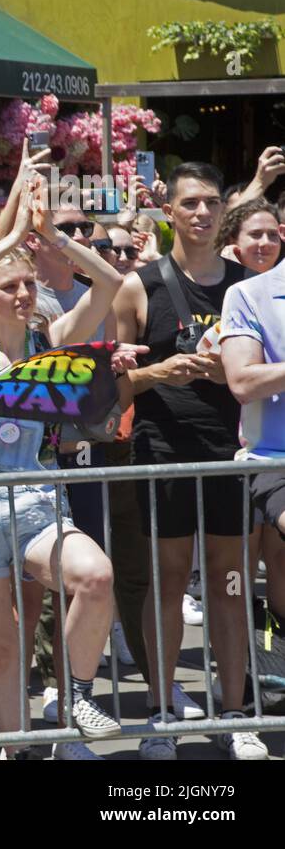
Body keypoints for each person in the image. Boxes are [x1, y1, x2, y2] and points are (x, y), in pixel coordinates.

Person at [0, 179, 123, 758]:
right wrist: (12, 236)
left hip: (41, 501)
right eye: (10, 287)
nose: (23, 294)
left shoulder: (51, 342)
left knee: (95, 577)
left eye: (28, 284)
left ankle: (76, 700)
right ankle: (18, 751)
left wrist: (50, 239)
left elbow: (111, 284)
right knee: (0, 649)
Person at [113, 161, 267, 760]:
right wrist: (161, 370)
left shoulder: (247, 284)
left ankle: (236, 715)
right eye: (190, 204)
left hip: (233, 452)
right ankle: (159, 715)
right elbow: (115, 387)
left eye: (210, 202)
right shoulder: (139, 285)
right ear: (168, 211)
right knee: (168, 584)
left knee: (230, 585)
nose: (201, 214)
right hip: (164, 450)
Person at [221, 244, 285, 734]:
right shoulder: (249, 293)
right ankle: (239, 707)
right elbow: (242, 381)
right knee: (234, 583)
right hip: (275, 461)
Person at [218, 197, 282, 275]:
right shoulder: (210, 279)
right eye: (255, 234)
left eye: (273, 234)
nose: (266, 242)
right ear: (232, 240)